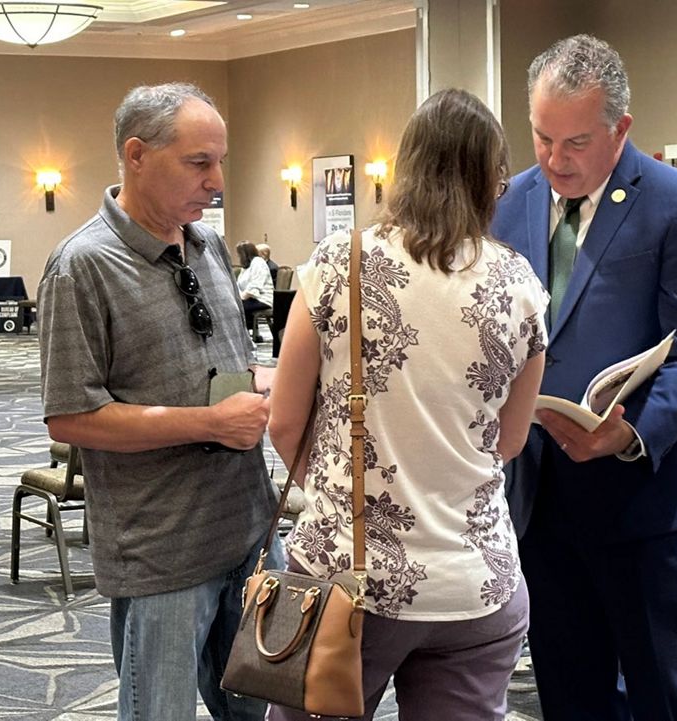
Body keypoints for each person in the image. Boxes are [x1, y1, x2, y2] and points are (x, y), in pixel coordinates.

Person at [267, 88, 547, 721]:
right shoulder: (520, 283)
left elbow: (284, 421)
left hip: (349, 575)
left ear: (405, 167)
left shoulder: (340, 265)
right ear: (488, 181)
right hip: (477, 580)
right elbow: (509, 441)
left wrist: (342, 492)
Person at [491, 35, 677, 720]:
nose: (554, 159)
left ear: (621, 128)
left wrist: (629, 432)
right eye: (541, 137)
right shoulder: (512, 204)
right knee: (570, 693)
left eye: (576, 142)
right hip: (540, 494)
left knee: (670, 697)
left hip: (644, 498)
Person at [36, 82, 282, 721]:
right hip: (163, 550)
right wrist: (206, 422)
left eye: (220, 162)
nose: (217, 181)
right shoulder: (82, 267)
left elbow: (226, 367)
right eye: (199, 163)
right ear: (136, 155)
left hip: (249, 528)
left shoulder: (205, 244)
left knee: (266, 710)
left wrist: (268, 384)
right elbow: (70, 415)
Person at [235, 240, 273, 340]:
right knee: (235, 305)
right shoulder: (246, 266)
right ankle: (247, 334)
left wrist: (240, 298)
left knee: (236, 307)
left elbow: (256, 285)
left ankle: (244, 336)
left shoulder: (258, 263)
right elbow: (239, 285)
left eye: (239, 254)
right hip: (250, 298)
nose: (238, 257)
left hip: (263, 298)